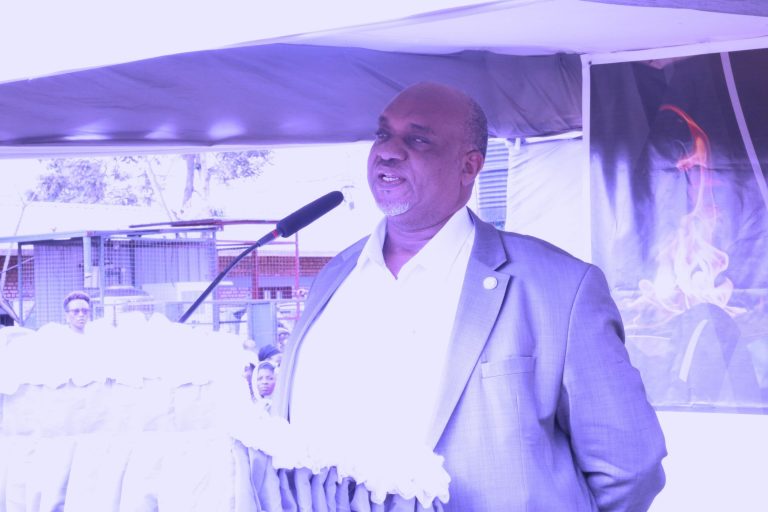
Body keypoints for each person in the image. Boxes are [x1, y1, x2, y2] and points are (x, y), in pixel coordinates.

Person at [273, 82, 667, 511]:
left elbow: (630, 467)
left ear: (469, 166)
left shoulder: (560, 288)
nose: (387, 151)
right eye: (383, 134)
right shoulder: (334, 278)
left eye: (418, 139)